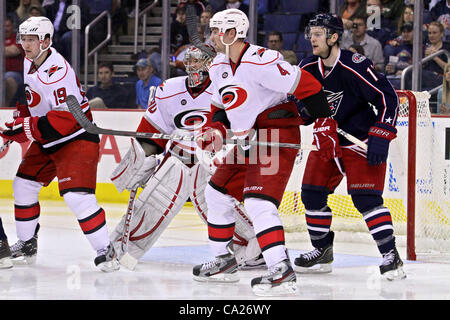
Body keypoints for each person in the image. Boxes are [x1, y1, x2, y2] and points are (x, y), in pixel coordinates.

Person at [192, 8, 335, 296]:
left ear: (231, 34)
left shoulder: (262, 61)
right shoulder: (218, 65)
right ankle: (223, 260)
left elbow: (308, 86)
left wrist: (325, 123)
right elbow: (221, 107)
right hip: (248, 140)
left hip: (276, 134)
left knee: (258, 202)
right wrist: (216, 130)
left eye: (215, 30)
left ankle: (280, 269)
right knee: (216, 192)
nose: (210, 37)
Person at [109, 46, 264, 270]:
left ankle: (257, 249)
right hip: (177, 161)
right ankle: (120, 249)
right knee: (152, 203)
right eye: (188, 60)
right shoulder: (168, 89)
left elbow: (242, 128)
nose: (191, 65)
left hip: (212, 164)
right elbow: (152, 132)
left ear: (211, 64)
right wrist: (139, 164)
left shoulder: (226, 89)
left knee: (219, 208)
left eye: (197, 61)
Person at [0, 17, 119, 272]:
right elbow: (33, 98)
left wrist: (25, 128)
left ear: (45, 41)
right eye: (23, 39)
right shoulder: (29, 60)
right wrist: (21, 118)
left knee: (77, 197)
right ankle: (27, 243)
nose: (25, 44)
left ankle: (105, 250)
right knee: (23, 185)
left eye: (31, 39)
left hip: (76, 137)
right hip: (50, 137)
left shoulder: (58, 72)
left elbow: (66, 119)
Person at [294, 13, 406, 281]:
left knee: (366, 200)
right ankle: (322, 250)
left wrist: (382, 133)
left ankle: (392, 256)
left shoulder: (355, 65)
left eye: (319, 33)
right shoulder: (307, 66)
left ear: (333, 37)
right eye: (311, 33)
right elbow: (300, 102)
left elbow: (387, 97)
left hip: (360, 142)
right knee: (311, 194)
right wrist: (308, 112)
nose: (312, 38)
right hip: (328, 143)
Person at [4, 16, 25, 107]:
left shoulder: (17, 38)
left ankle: (6, 107)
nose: (5, 29)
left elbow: (14, 51)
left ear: (12, 26)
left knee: (8, 78)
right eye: (3, 26)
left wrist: (7, 50)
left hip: (16, 74)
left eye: (8, 26)